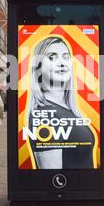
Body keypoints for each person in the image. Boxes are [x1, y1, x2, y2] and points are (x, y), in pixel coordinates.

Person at [26, 37, 96, 170]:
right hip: (72, 190)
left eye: (66, 57)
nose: (62, 63)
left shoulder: (68, 108)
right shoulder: (44, 114)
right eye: (52, 57)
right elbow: (51, 177)